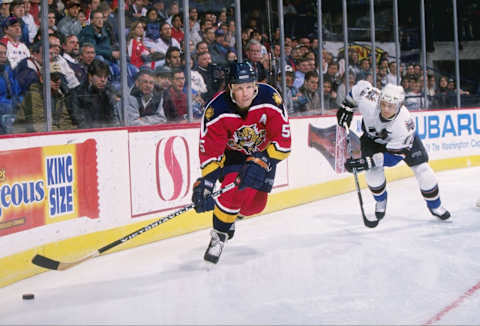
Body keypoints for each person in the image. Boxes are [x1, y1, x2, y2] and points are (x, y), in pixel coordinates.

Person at [192, 62, 291, 264]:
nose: (245, 94)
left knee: (255, 206)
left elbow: (283, 143)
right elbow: (211, 153)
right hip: (233, 156)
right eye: (239, 88)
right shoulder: (216, 110)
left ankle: (232, 215)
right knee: (234, 193)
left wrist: (264, 159)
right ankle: (219, 235)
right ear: (230, 88)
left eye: (248, 87)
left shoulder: (270, 98)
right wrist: (207, 183)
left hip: (265, 153)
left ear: (255, 85)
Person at [336, 81, 450, 222]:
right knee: (372, 173)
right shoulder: (370, 99)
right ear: (380, 99)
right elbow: (359, 87)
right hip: (372, 140)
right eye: (383, 103)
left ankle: (435, 206)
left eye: (391, 106)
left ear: (400, 105)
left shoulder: (405, 125)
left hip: (399, 145)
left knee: (424, 170)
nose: (386, 109)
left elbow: (394, 157)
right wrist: (347, 106)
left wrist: (367, 162)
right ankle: (381, 202)